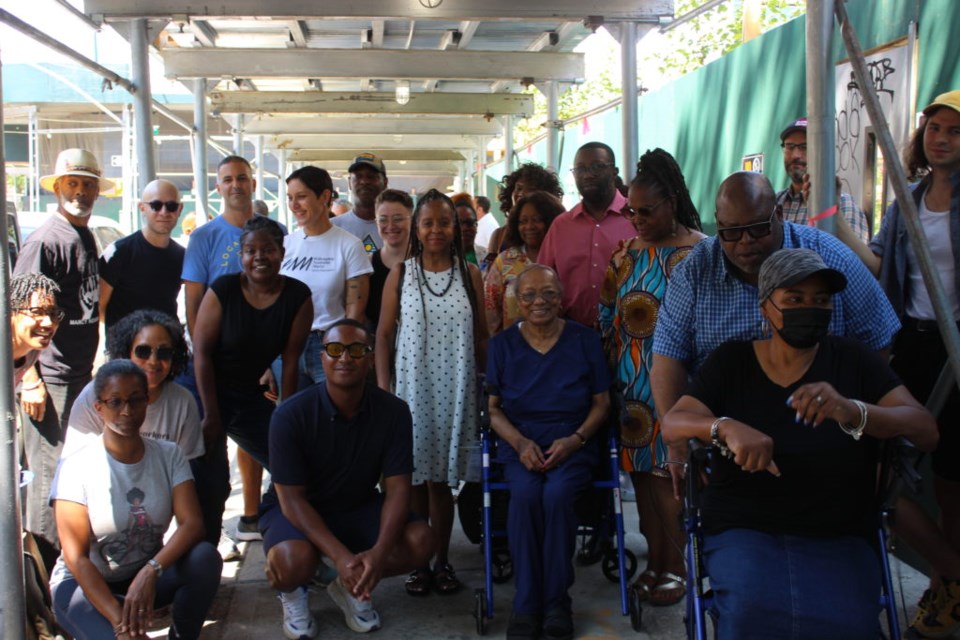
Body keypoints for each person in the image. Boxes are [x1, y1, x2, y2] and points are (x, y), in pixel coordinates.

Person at [660, 248, 937, 639]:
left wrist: (854, 412)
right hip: (744, 526)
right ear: (765, 308)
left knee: (848, 625)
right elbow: (673, 424)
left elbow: (926, 429)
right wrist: (726, 427)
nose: (810, 308)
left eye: (820, 301)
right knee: (749, 614)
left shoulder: (853, 362)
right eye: (794, 299)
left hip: (837, 527)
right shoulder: (732, 362)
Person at [832, 89, 960, 638]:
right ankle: (953, 579)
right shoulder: (907, 200)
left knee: (954, 478)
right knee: (883, 468)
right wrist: (835, 222)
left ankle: (943, 593)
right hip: (916, 347)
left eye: (954, 131)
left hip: (959, 353)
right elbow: (881, 263)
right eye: (934, 129)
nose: (942, 139)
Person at [261, 319, 434, 639]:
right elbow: (292, 500)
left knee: (421, 540)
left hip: (357, 504)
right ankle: (295, 591)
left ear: (370, 359)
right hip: (298, 511)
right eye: (335, 349)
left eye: (356, 350)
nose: (345, 357)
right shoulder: (290, 414)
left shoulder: (393, 412)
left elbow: (398, 491)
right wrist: (341, 557)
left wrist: (379, 554)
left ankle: (348, 584)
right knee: (290, 561)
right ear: (322, 357)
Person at [598, 149, 705, 606]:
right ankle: (656, 563)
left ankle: (678, 567)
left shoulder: (702, 253)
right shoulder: (624, 256)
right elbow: (606, 316)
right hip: (633, 389)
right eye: (630, 210)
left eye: (646, 211)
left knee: (673, 478)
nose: (636, 219)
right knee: (642, 479)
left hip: (683, 388)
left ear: (673, 203)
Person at [50, 360, 222, 640]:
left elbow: (193, 524)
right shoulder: (75, 466)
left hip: (143, 576)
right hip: (85, 586)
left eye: (135, 400)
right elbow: (77, 559)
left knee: (204, 558)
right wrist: (123, 626)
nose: (127, 411)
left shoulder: (169, 454)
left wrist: (151, 571)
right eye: (115, 402)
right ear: (99, 408)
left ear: (147, 402)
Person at [487, 264, 610, 640]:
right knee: (524, 495)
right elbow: (492, 409)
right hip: (519, 441)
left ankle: (556, 602)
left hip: (573, 441)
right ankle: (526, 603)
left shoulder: (585, 340)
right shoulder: (502, 345)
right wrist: (520, 443)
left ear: (561, 298)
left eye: (549, 294)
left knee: (557, 495)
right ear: (517, 301)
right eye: (529, 295)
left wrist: (575, 440)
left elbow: (602, 403)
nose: (539, 301)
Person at [376, 189, 486, 597]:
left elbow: (482, 338)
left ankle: (442, 562)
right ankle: (418, 564)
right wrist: (385, 389)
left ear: (454, 227)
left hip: (456, 388)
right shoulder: (401, 274)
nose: (436, 229)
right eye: (428, 223)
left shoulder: (470, 274)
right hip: (411, 390)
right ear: (417, 230)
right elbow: (384, 335)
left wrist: (493, 389)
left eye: (444, 222)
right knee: (414, 482)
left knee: (442, 484)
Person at [193, 216, 313, 554]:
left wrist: (285, 419)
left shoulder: (298, 296)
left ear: (281, 252)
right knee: (212, 478)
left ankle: (279, 525)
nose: (259, 256)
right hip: (205, 390)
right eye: (250, 250)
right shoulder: (224, 290)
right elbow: (201, 354)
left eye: (268, 249)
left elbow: (291, 363)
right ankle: (205, 550)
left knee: (289, 461)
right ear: (242, 256)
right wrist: (211, 415)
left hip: (246, 393)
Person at [15, 147, 110, 563]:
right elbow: (18, 312)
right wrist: (29, 379)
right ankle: (43, 598)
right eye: (72, 183)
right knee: (46, 486)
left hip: (78, 375)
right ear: (57, 188)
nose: (81, 192)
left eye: (88, 184)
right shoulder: (45, 241)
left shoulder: (84, 235)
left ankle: (69, 575)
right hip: (48, 379)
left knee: (73, 479)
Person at [181, 154, 267, 548]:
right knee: (210, 460)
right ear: (218, 188)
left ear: (253, 184)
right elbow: (193, 304)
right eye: (228, 179)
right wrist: (205, 359)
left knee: (277, 450)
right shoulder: (204, 238)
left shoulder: (274, 232)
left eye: (243, 178)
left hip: (262, 366)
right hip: (215, 367)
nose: (236, 185)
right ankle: (206, 548)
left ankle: (265, 520)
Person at [63, 309, 202, 462]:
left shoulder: (183, 402)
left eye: (163, 353)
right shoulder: (94, 395)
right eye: (143, 351)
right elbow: (76, 463)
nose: (153, 361)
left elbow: (185, 468)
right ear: (126, 353)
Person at [281, 166, 372, 388]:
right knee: (292, 416)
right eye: (290, 198)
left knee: (332, 415)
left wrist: (342, 350)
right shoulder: (285, 245)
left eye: (301, 197)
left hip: (330, 345)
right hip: (288, 345)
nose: (294, 205)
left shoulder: (349, 245)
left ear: (324, 196)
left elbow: (355, 310)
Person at [538, 142, 635, 327]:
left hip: (626, 335)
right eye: (580, 169)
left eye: (597, 167)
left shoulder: (636, 219)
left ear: (614, 172)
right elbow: (543, 278)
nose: (588, 175)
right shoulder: (561, 226)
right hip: (572, 334)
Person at [99, 179, 185, 329]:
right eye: (156, 205)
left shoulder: (182, 256)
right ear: (142, 208)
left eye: (171, 206)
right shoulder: (119, 252)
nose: (164, 212)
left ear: (179, 209)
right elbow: (98, 307)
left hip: (167, 347)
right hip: (124, 348)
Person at [776, 118, 871, 242]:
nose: (796, 155)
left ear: (821, 152)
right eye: (790, 147)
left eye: (804, 147)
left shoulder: (842, 205)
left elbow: (852, 259)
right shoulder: (775, 202)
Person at [484, 191, 564, 334]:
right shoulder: (505, 261)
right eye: (523, 221)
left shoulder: (565, 257)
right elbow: (490, 313)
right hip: (512, 350)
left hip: (559, 348)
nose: (529, 226)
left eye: (537, 219)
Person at [483, 163, 564, 271]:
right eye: (518, 188)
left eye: (530, 189)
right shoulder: (499, 235)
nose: (522, 193)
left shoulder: (556, 231)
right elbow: (490, 274)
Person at [367, 189, 413, 330]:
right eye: (383, 220)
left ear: (412, 219)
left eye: (398, 219)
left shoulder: (427, 263)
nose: (391, 226)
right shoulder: (367, 265)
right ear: (376, 222)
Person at [10, 273, 61, 388]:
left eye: (53, 313)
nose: (49, 323)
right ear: (11, 314)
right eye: (37, 312)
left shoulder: (33, 347)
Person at [331, 153, 389, 253]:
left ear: (385, 182)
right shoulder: (333, 228)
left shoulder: (397, 229)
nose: (364, 181)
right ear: (349, 183)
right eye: (358, 176)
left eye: (371, 176)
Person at [451, 192, 487, 267]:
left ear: (476, 226)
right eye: (459, 223)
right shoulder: (439, 260)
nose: (464, 228)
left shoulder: (486, 257)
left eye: (469, 223)